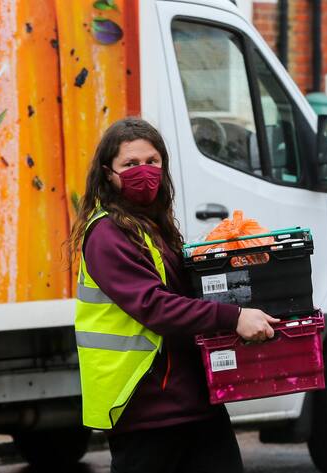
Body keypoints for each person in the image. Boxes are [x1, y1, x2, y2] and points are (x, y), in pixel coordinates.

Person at [68, 117, 278, 473]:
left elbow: (184, 293)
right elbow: (155, 306)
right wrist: (234, 318)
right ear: (108, 173)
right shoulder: (107, 234)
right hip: (147, 407)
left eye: (152, 162)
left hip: (191, 399)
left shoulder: (151, 226)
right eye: (130, 164)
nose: (144, 171)